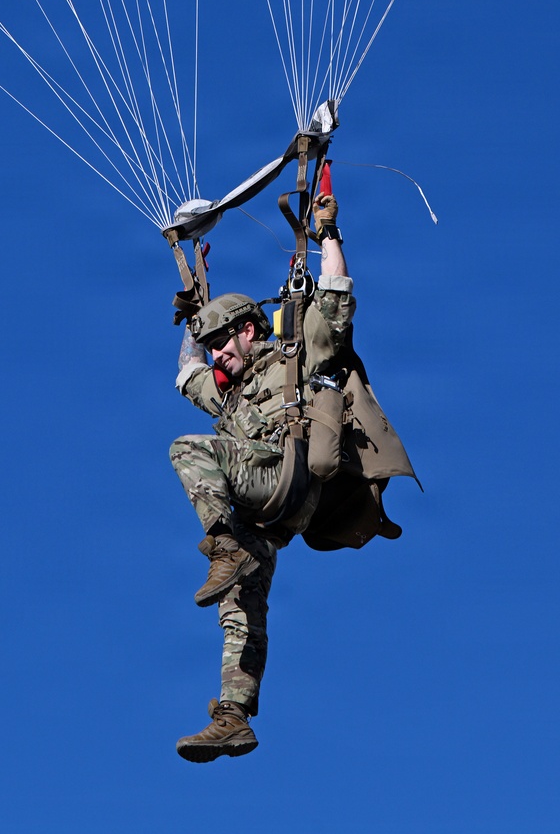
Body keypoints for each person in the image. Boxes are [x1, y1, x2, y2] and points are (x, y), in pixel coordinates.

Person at [169, 192, 415, 762]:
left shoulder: (297, 357)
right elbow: (185, 375)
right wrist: (190, 313)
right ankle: (234, 717)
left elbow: (336, 298)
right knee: (241, 607)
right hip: (276, 516)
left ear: (249, 330)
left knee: (187, 448)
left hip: (284, 477)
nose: (215, 359)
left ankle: (222, 543)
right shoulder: (227, 394)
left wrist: (328, 233)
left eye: (219, 344)